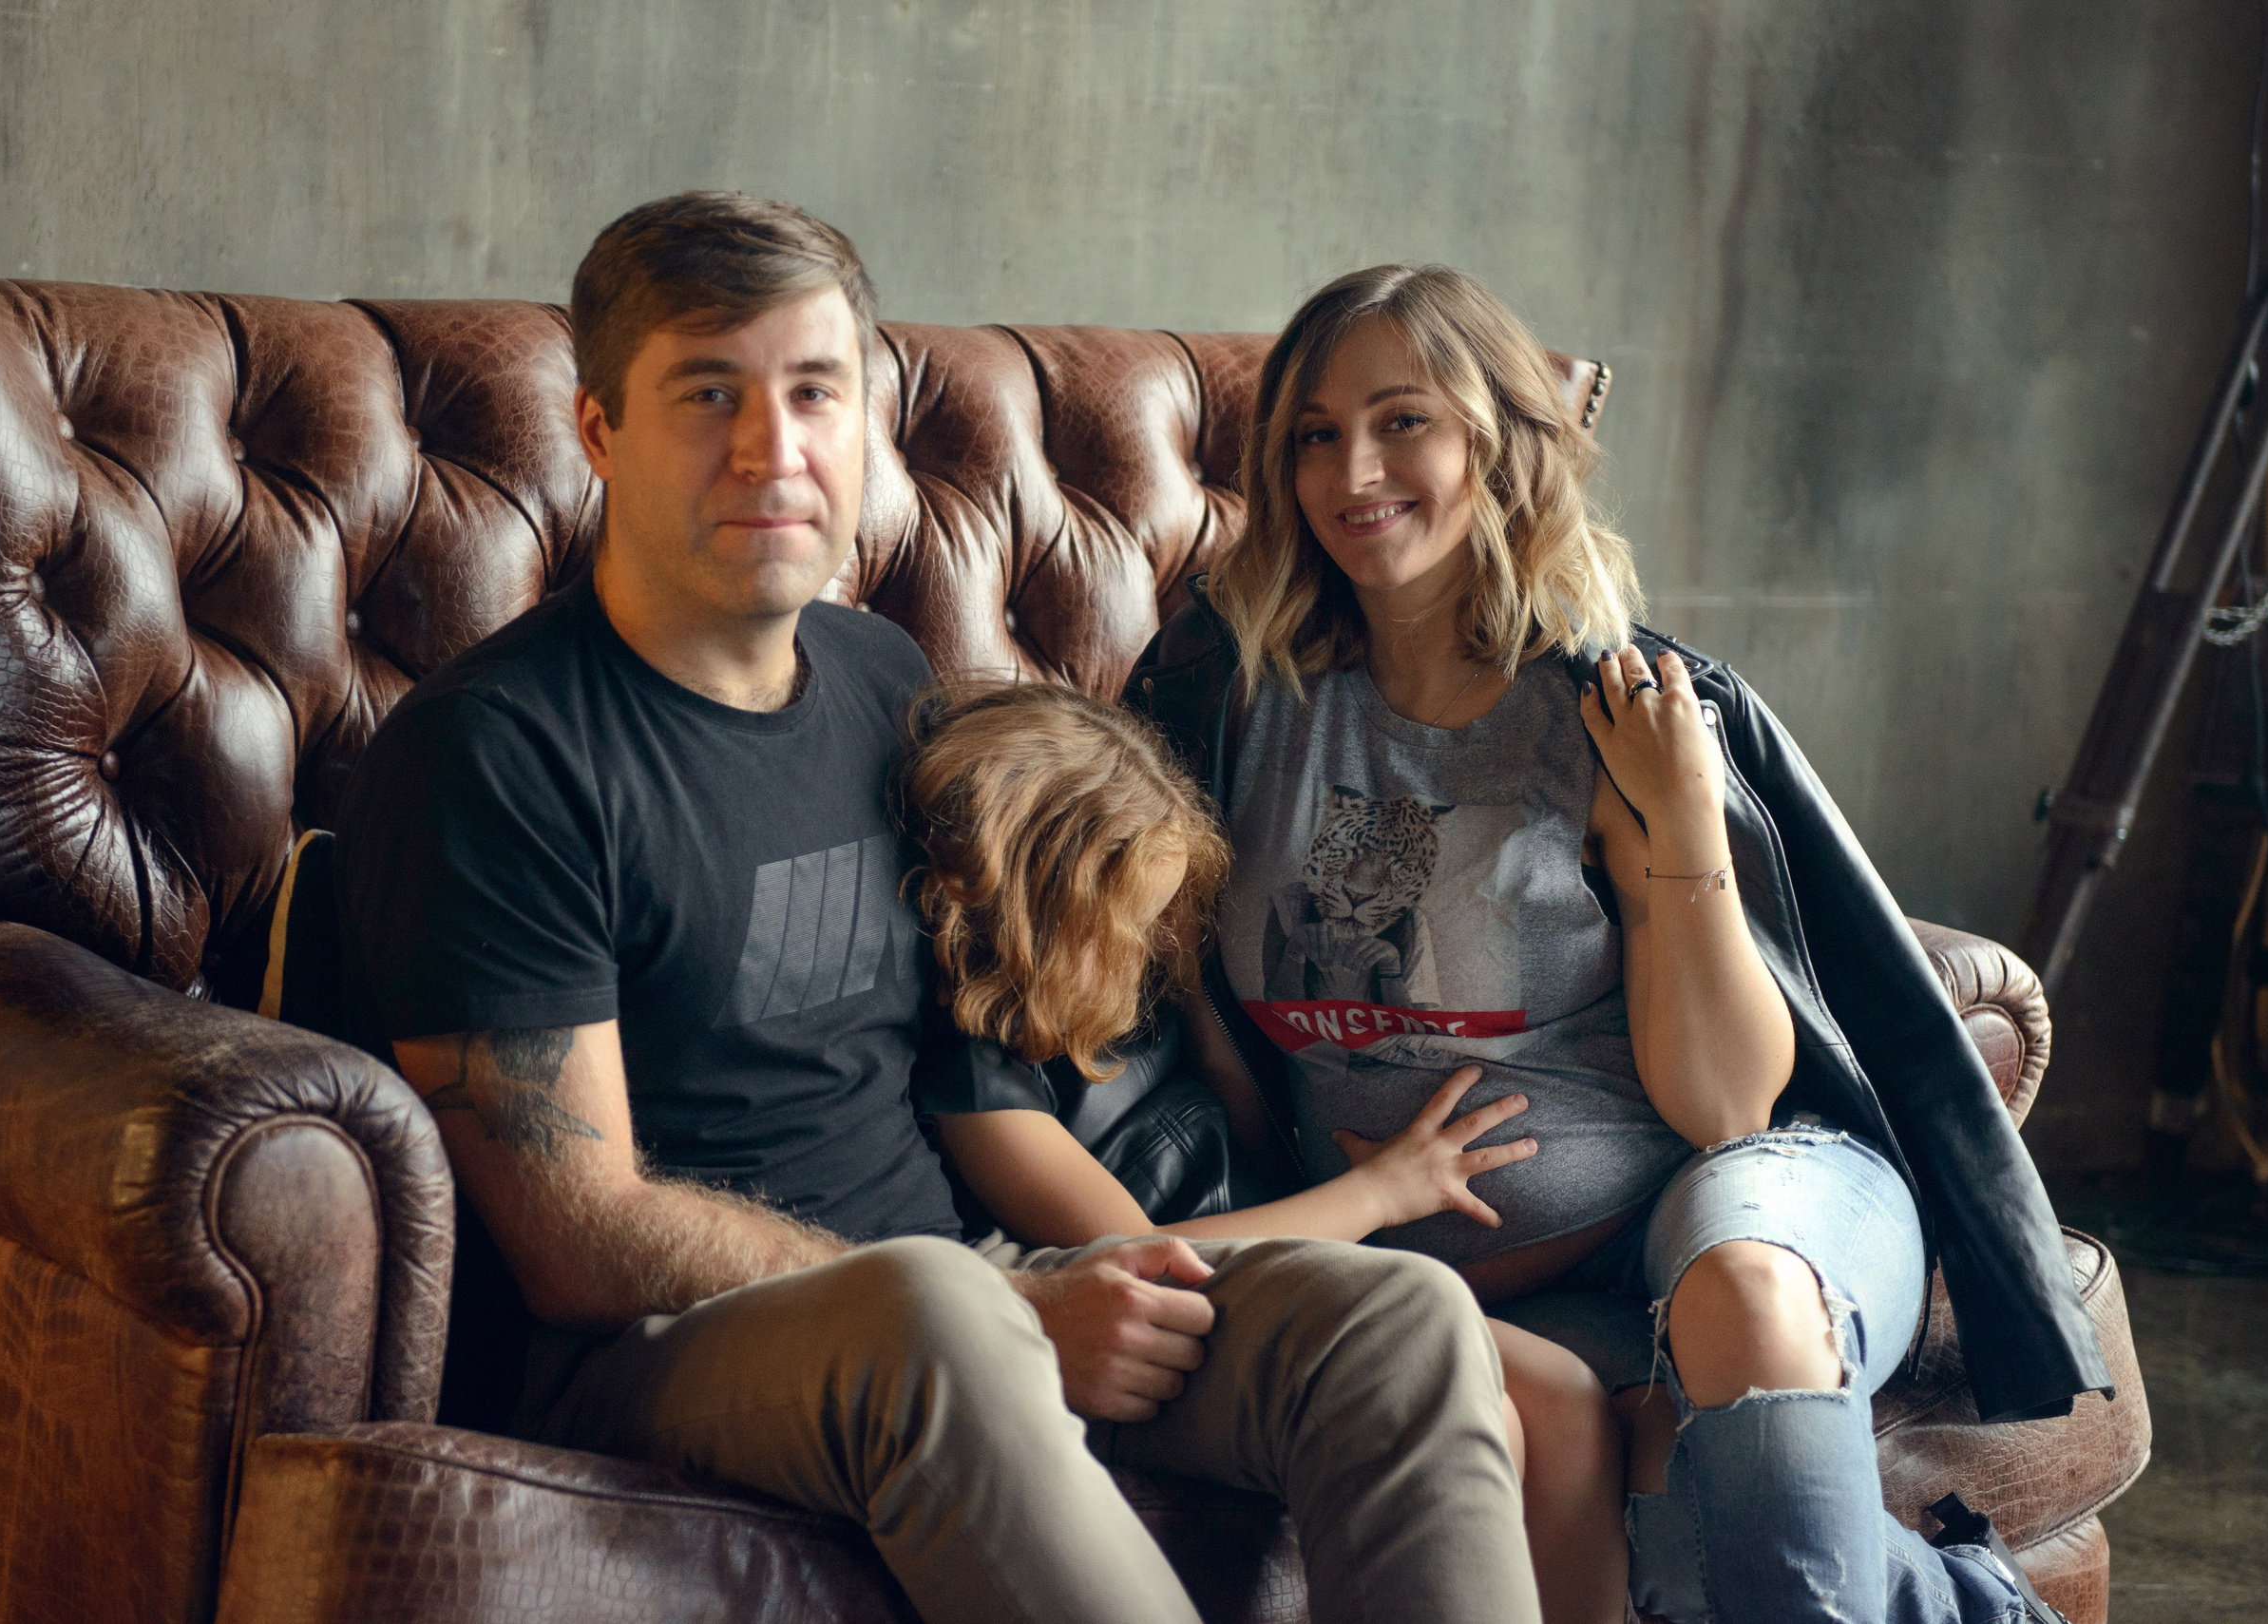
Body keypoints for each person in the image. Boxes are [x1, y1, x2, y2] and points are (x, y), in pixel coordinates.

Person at [333, 194, 1543, 1624]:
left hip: (969, 1291)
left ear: (865, 428)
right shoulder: (499, 753)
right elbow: (579, 1232)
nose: (771, 451)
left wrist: (1056, 1269)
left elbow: (1015, 1005)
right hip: (659, 1349)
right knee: (938, 1313)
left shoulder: (874, 678)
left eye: (813, 394)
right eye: (706, 393)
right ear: (599, 432)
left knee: (1395, 1324)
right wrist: (1012, 1310)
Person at [1124, 263, 2108, 1624]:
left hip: (1736, 1200)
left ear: (1497, 442)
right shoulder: (1228, 701)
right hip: (1480, 1280)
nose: (1354, 468)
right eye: (1313, 432)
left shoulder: (1619, 704)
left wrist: (1685, 809)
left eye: (1404, 420)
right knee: (1698, 1535)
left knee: (1747, 1303)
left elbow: (1723, 1106)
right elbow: (1179, 1016)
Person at [900, 678, 1629, 1624]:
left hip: (1288, 1267)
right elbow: (1152, 1254)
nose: (1159, 940)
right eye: (1138, 918)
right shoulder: (981, 1089)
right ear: (1051, 912)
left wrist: (1202, 996)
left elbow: (1239, 1121)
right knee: (1483, 1414)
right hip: (1177, 1309)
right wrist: (1380, 1190)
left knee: (1567, 1397)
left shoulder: (1142, 988)